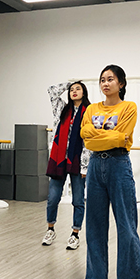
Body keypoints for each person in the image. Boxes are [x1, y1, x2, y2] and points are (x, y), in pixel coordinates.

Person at [80, 64, 140, 279]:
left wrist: (102, 136)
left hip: (119, 164)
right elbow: (87, 140)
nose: (105, 83)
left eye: (110, 79)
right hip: (95, 165)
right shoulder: (91, 108)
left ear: (121, 83)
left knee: (126, 224)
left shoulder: (129, 107)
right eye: (102, 80)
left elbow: (122, 139)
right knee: (94, 225)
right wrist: (115, 136)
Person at [42, 81, 91, 249]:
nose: (74, 91)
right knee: (53, 198)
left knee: (78, 200)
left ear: (84, 92)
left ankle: (75, 234)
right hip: (59, 159)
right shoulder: (61, 109)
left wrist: (85, 166)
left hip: (78, 160)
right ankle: (50, 229)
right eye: (72, 89)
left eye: (78, 89)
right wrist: (69, 83)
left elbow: (89, 140)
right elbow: (51, 91)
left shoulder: (89, 111)